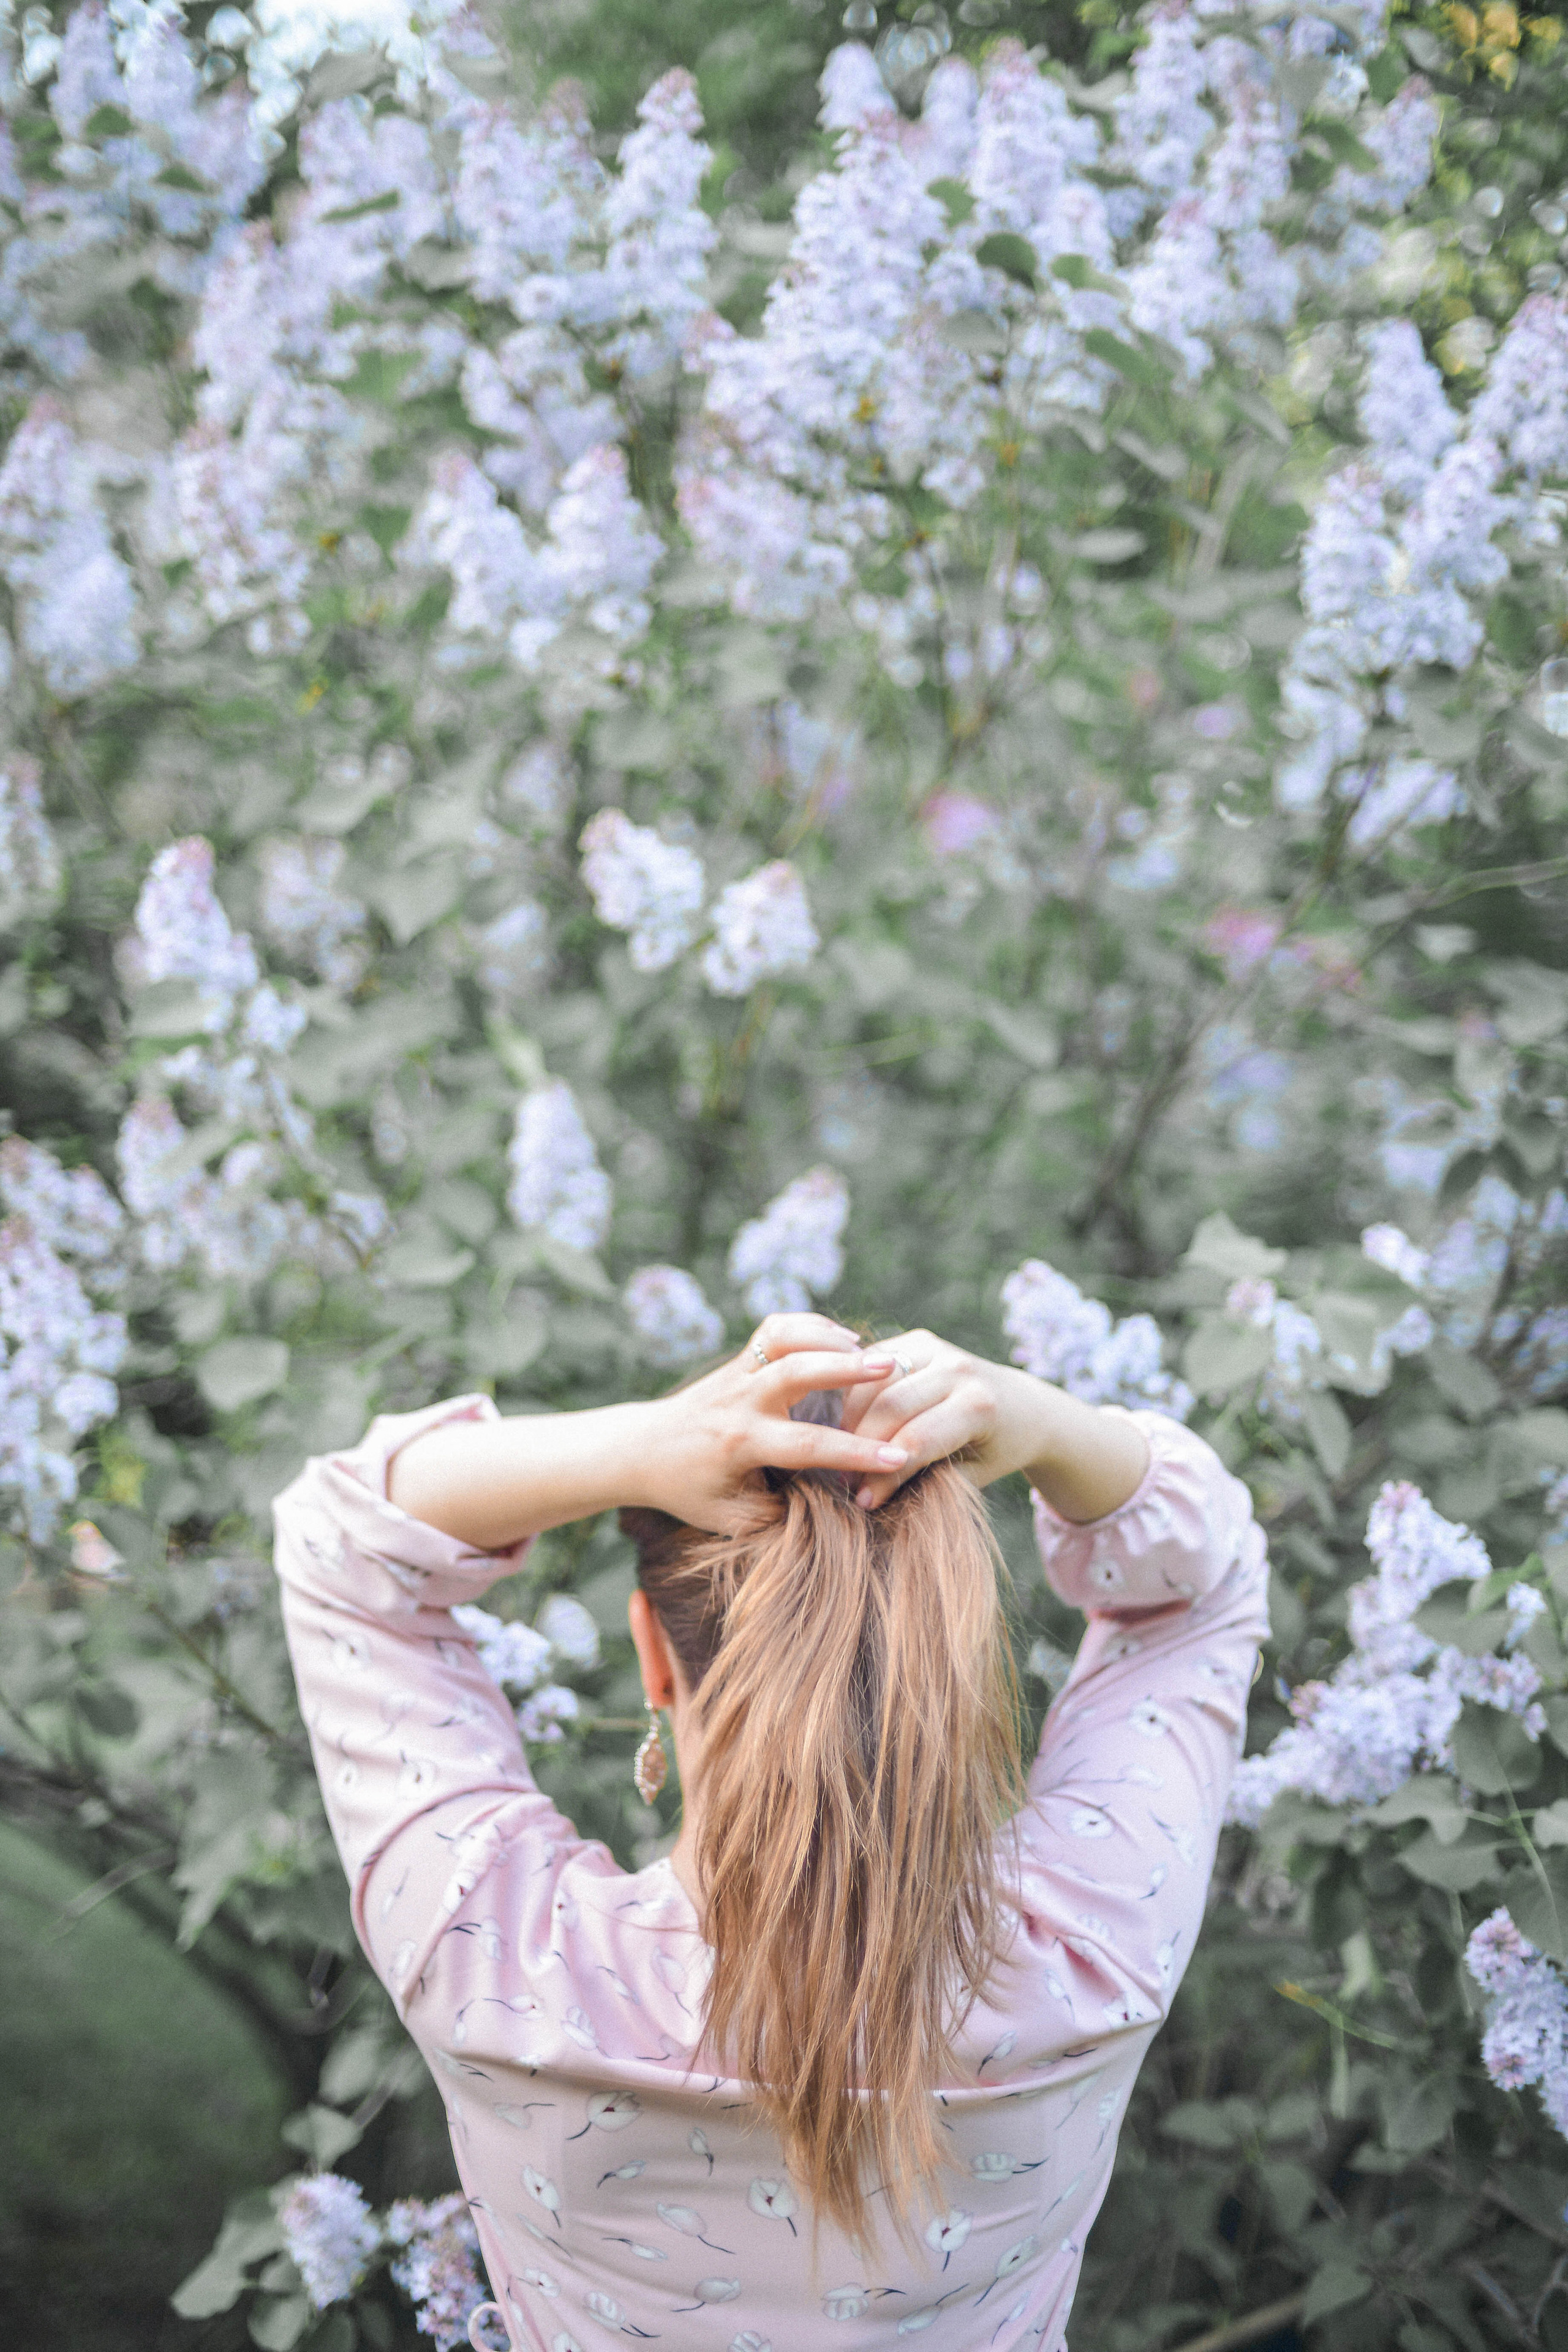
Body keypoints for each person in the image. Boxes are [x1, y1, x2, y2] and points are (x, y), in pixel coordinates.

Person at [273, 1311, 1269, 2352]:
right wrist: (1049, 1424)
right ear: (959, 1666)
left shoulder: (500, 1961)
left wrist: (637, 1443)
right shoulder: (1095, 1948)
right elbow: (1198, 1588)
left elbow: (339, 1538)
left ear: (654, 1656)